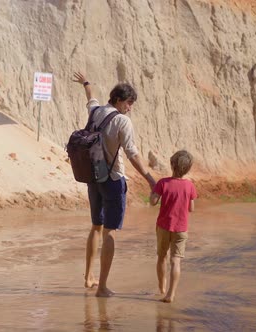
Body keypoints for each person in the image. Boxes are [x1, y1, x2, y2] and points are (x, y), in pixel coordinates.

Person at [73, 71, 156, 297]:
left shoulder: (96, 111)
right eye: (129, 103)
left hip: (93, 178)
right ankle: (102, 287)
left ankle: (89, 277)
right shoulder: (122, 121)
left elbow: (90, 98)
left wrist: (86, 83)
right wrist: (150, 180)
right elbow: (133, 154)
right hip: (112, 180)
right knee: (110, 232)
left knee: (95, 227)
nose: (130, 108)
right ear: (119, 100)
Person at [149, 150, 197, 303]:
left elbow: (153, 201)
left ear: (172, 164)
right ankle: (171, 293)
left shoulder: (163, 183)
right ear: (188, 169)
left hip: (163, 226)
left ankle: (161, 287)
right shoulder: (190, 186)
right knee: (176, 260)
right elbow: (191, 208)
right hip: (181, 228)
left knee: (162, 257)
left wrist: (153, 193)